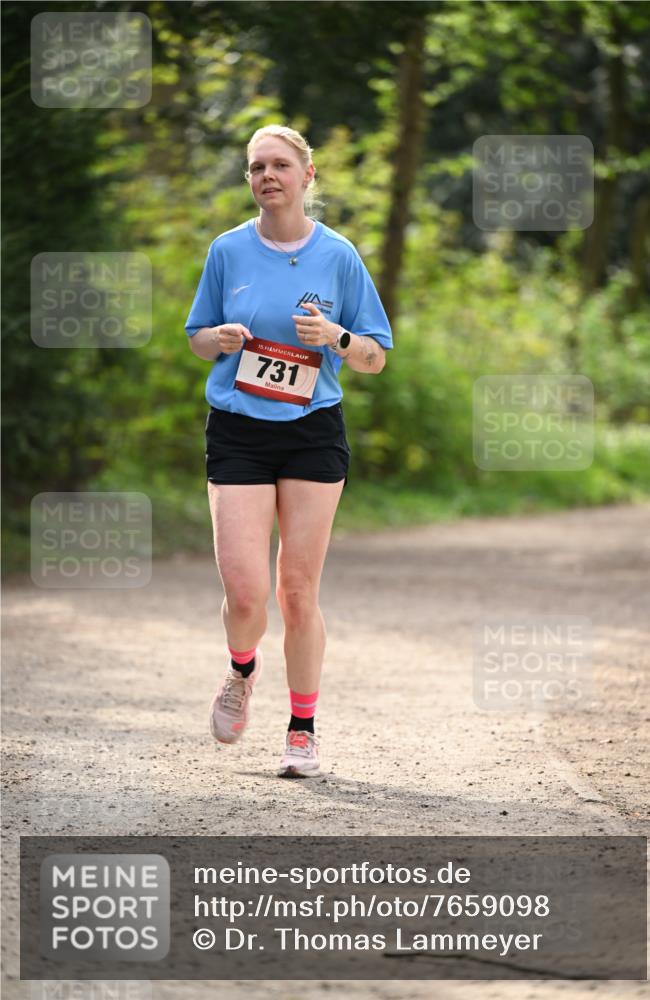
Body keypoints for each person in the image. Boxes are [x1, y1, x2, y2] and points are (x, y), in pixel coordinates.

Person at [185, 124, 393, 777]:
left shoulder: (338, 255)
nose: (266, 176)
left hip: (311, 430)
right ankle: (241, 671)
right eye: (255, 167)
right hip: (238, 428)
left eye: (278, 165)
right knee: (246, 594)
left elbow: (375, 357)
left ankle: (302, 728)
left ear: (307, 175)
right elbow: (194, 338)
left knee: (298, 591)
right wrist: (217, 337)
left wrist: (335, 336)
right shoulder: (227, 250)